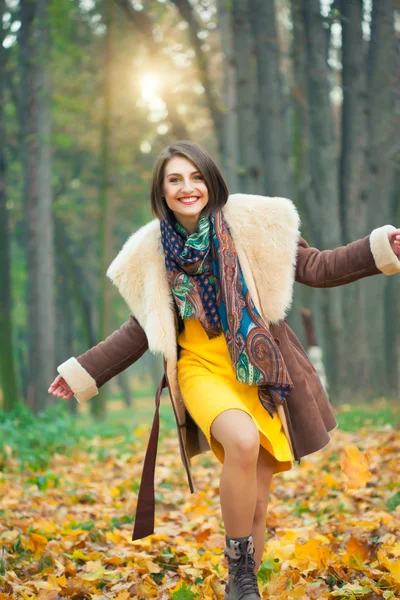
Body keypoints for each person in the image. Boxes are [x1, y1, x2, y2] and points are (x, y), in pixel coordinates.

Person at [49, 141, 400, 600]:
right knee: (241, 439)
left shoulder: (256, 224)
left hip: (258, 367)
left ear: (211, 181)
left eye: (195, 177)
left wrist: (380, 247)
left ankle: (243, 589)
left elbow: (315, 266)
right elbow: (141, 329)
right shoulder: (153, 253)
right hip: (201, 368)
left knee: (256, 501)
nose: (187, 187)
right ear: (162, 192)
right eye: (174, 180)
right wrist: (83, 371)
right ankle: (240, 575)